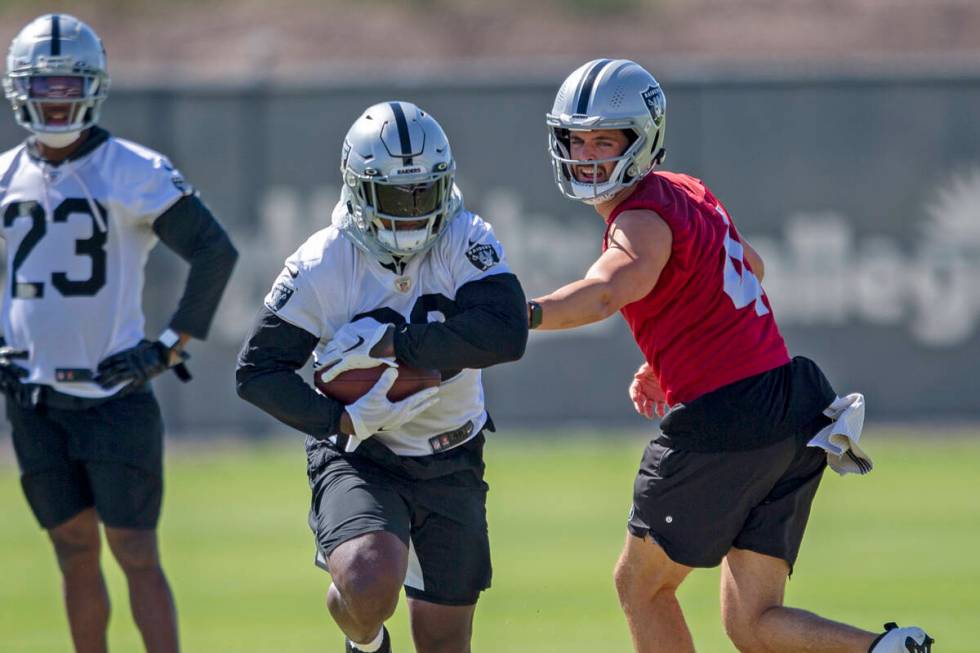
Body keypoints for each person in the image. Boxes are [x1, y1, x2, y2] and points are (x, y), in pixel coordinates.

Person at [527, 58, 933, 653]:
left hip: (729, 416)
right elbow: (751, 269)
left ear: (641, 142)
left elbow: (609, 291)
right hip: (792, 404)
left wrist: (522, 315)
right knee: (752, 622)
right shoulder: (688, 191)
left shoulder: (640, 215)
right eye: (577, 140)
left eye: (605, 141)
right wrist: (673, 354)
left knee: (641, 588)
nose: (587, 155)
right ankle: (887, 649)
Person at [236, 100, 527, 653]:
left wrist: (398, 344)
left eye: (425, 193)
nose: (414, 212)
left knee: (444, 643)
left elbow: (506, 334)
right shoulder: (324, 262)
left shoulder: (465, 236)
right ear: (359, 189)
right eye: (396, 196)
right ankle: (366, 641)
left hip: (451, 450)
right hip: (362, 453)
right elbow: (257, 371)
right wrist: (340, 421)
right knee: (369, 581)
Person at [0, 14, 238, 653]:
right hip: (32, 398)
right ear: (18, 89)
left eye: (65, 84)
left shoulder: (133, 168)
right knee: (72, 550)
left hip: (114, 395)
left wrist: (168, 347)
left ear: (93, 86)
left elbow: (215, 252)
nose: (54, 98)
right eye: (42, 85)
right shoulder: (3, 175)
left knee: (135, 549)